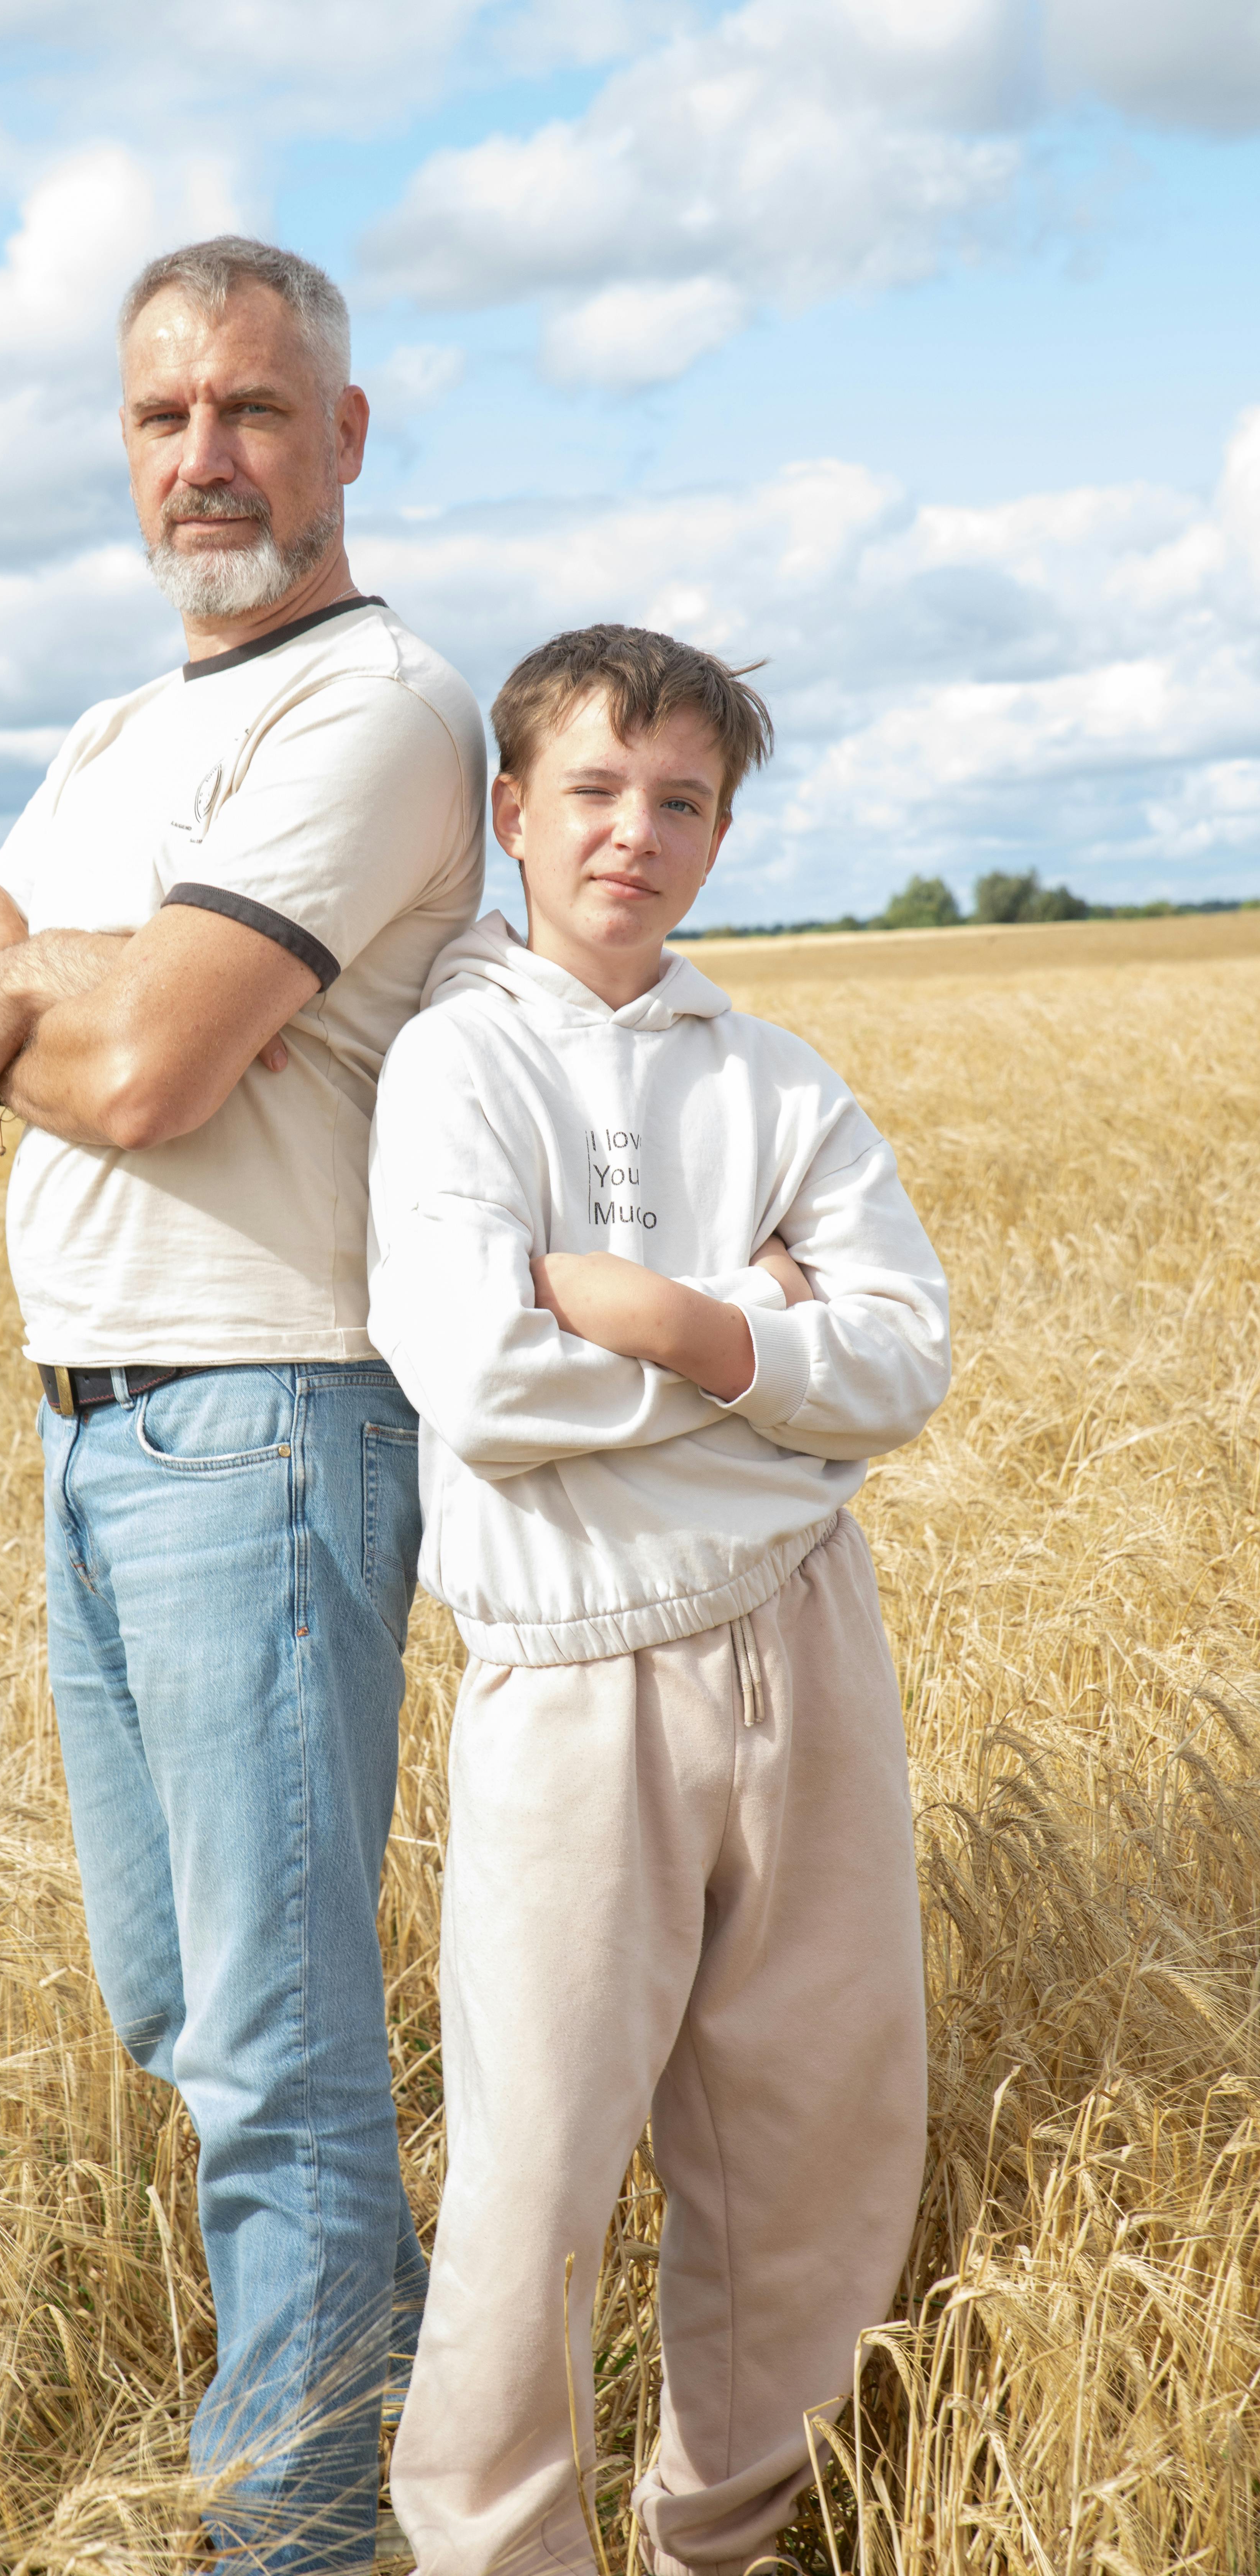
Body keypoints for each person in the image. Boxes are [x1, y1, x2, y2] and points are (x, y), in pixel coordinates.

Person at [0, 237, 486, 2574]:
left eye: (247, 407)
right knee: (184, 2006)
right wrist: (78, 980)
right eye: (158, 419)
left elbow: (141, 1075)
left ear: (343, 434)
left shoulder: (381, 709)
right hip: (89, 1428)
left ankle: (300, 2540)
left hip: (268, 1422)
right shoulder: (122, 739)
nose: (202, 455)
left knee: (280, 2068)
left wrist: (48, 974)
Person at [366, 624, 951, 2576]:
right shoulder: (455, 1066)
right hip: (569, 1671)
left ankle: (726, 2535)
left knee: (817, 2128)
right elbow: (484, 1381)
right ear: (512, 812)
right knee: (534, 2166)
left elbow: (903, 1363)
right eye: (596, 793)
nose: (637, 834)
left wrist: (669, 1316)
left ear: (720, 834)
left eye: (682, 801)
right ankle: (492, 2551)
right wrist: (763, 1342)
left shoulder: (774, 1075)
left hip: (805, 1623)